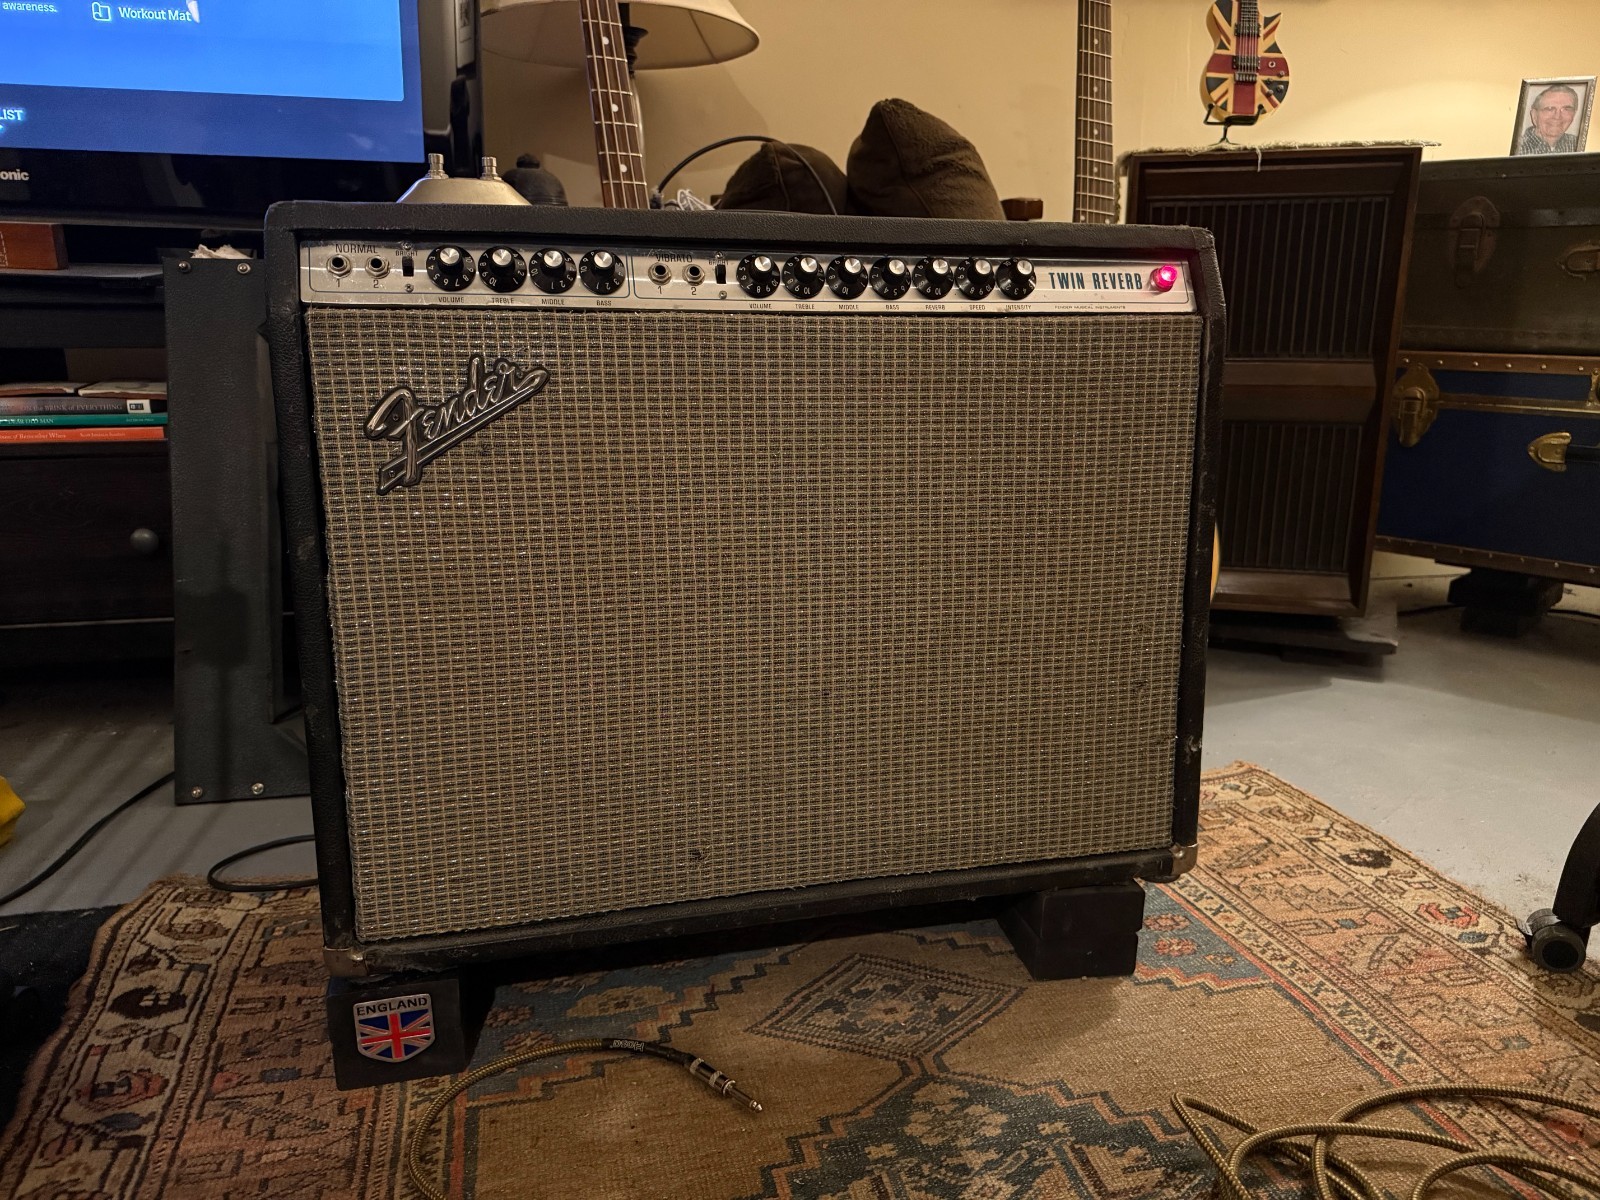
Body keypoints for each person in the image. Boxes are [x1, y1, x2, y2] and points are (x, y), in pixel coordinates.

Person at [1518, 84, 1582, 154]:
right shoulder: (1517, 149)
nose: (1557, 117)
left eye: (1566, 109)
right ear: (1534, 115)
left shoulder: (1578, 144)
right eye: (1549, 109)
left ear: (1574, 114)